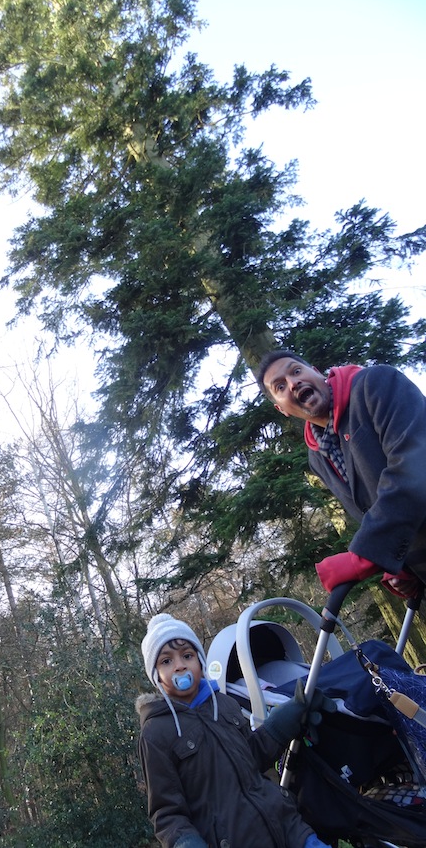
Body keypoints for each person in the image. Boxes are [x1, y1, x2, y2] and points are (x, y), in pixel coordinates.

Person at [136, 613, 335, 848]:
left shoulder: (224, 704)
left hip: (288, 827)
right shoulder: (155, 733)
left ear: (200, 660)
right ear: (155, 675)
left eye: (187, 655)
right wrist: (186, 842)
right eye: (166, 661)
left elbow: (253, 755)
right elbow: (167, 813)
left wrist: (287, 718)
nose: (179, 665)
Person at [257, 349, 426, 598]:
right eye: (280, 386)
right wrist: (400, 568)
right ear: (281, 409)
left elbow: (414, 465)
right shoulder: (317, 458)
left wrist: (365, 557)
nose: (293, 383)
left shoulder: (375, 383)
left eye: (296, 371)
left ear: (317, 372)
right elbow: (369, 509)